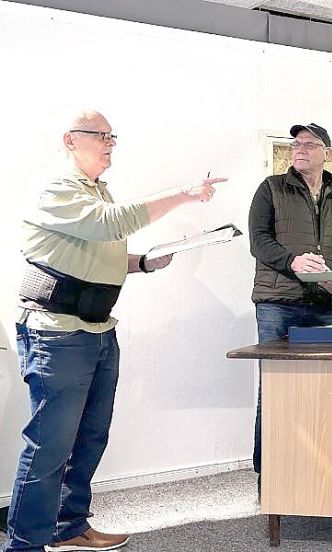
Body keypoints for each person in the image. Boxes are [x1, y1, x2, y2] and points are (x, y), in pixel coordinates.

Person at [4, 110, 224, 552]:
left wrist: (141, 262)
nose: (109, 143)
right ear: (70, 139)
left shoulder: (98, 193)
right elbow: (110, 224)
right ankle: (25, 544)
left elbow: (94, 250)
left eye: (112, 136)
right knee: (49, 445)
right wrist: (182, 194)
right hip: (57, 334)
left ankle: (69, 527)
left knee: (90, 435)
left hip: (98, 331)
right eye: (99, 136)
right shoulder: (57, 190)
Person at [247, 123, 332, 479]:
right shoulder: (271, 189)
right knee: (278, 388)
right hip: (278, 304)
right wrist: (291, 262)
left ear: (327, 152)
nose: (300, 149)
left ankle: (315, 472)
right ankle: (271, 474)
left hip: (325, 308)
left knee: (321, 389)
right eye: (296, 144)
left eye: (310, 144)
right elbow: (258, 242)